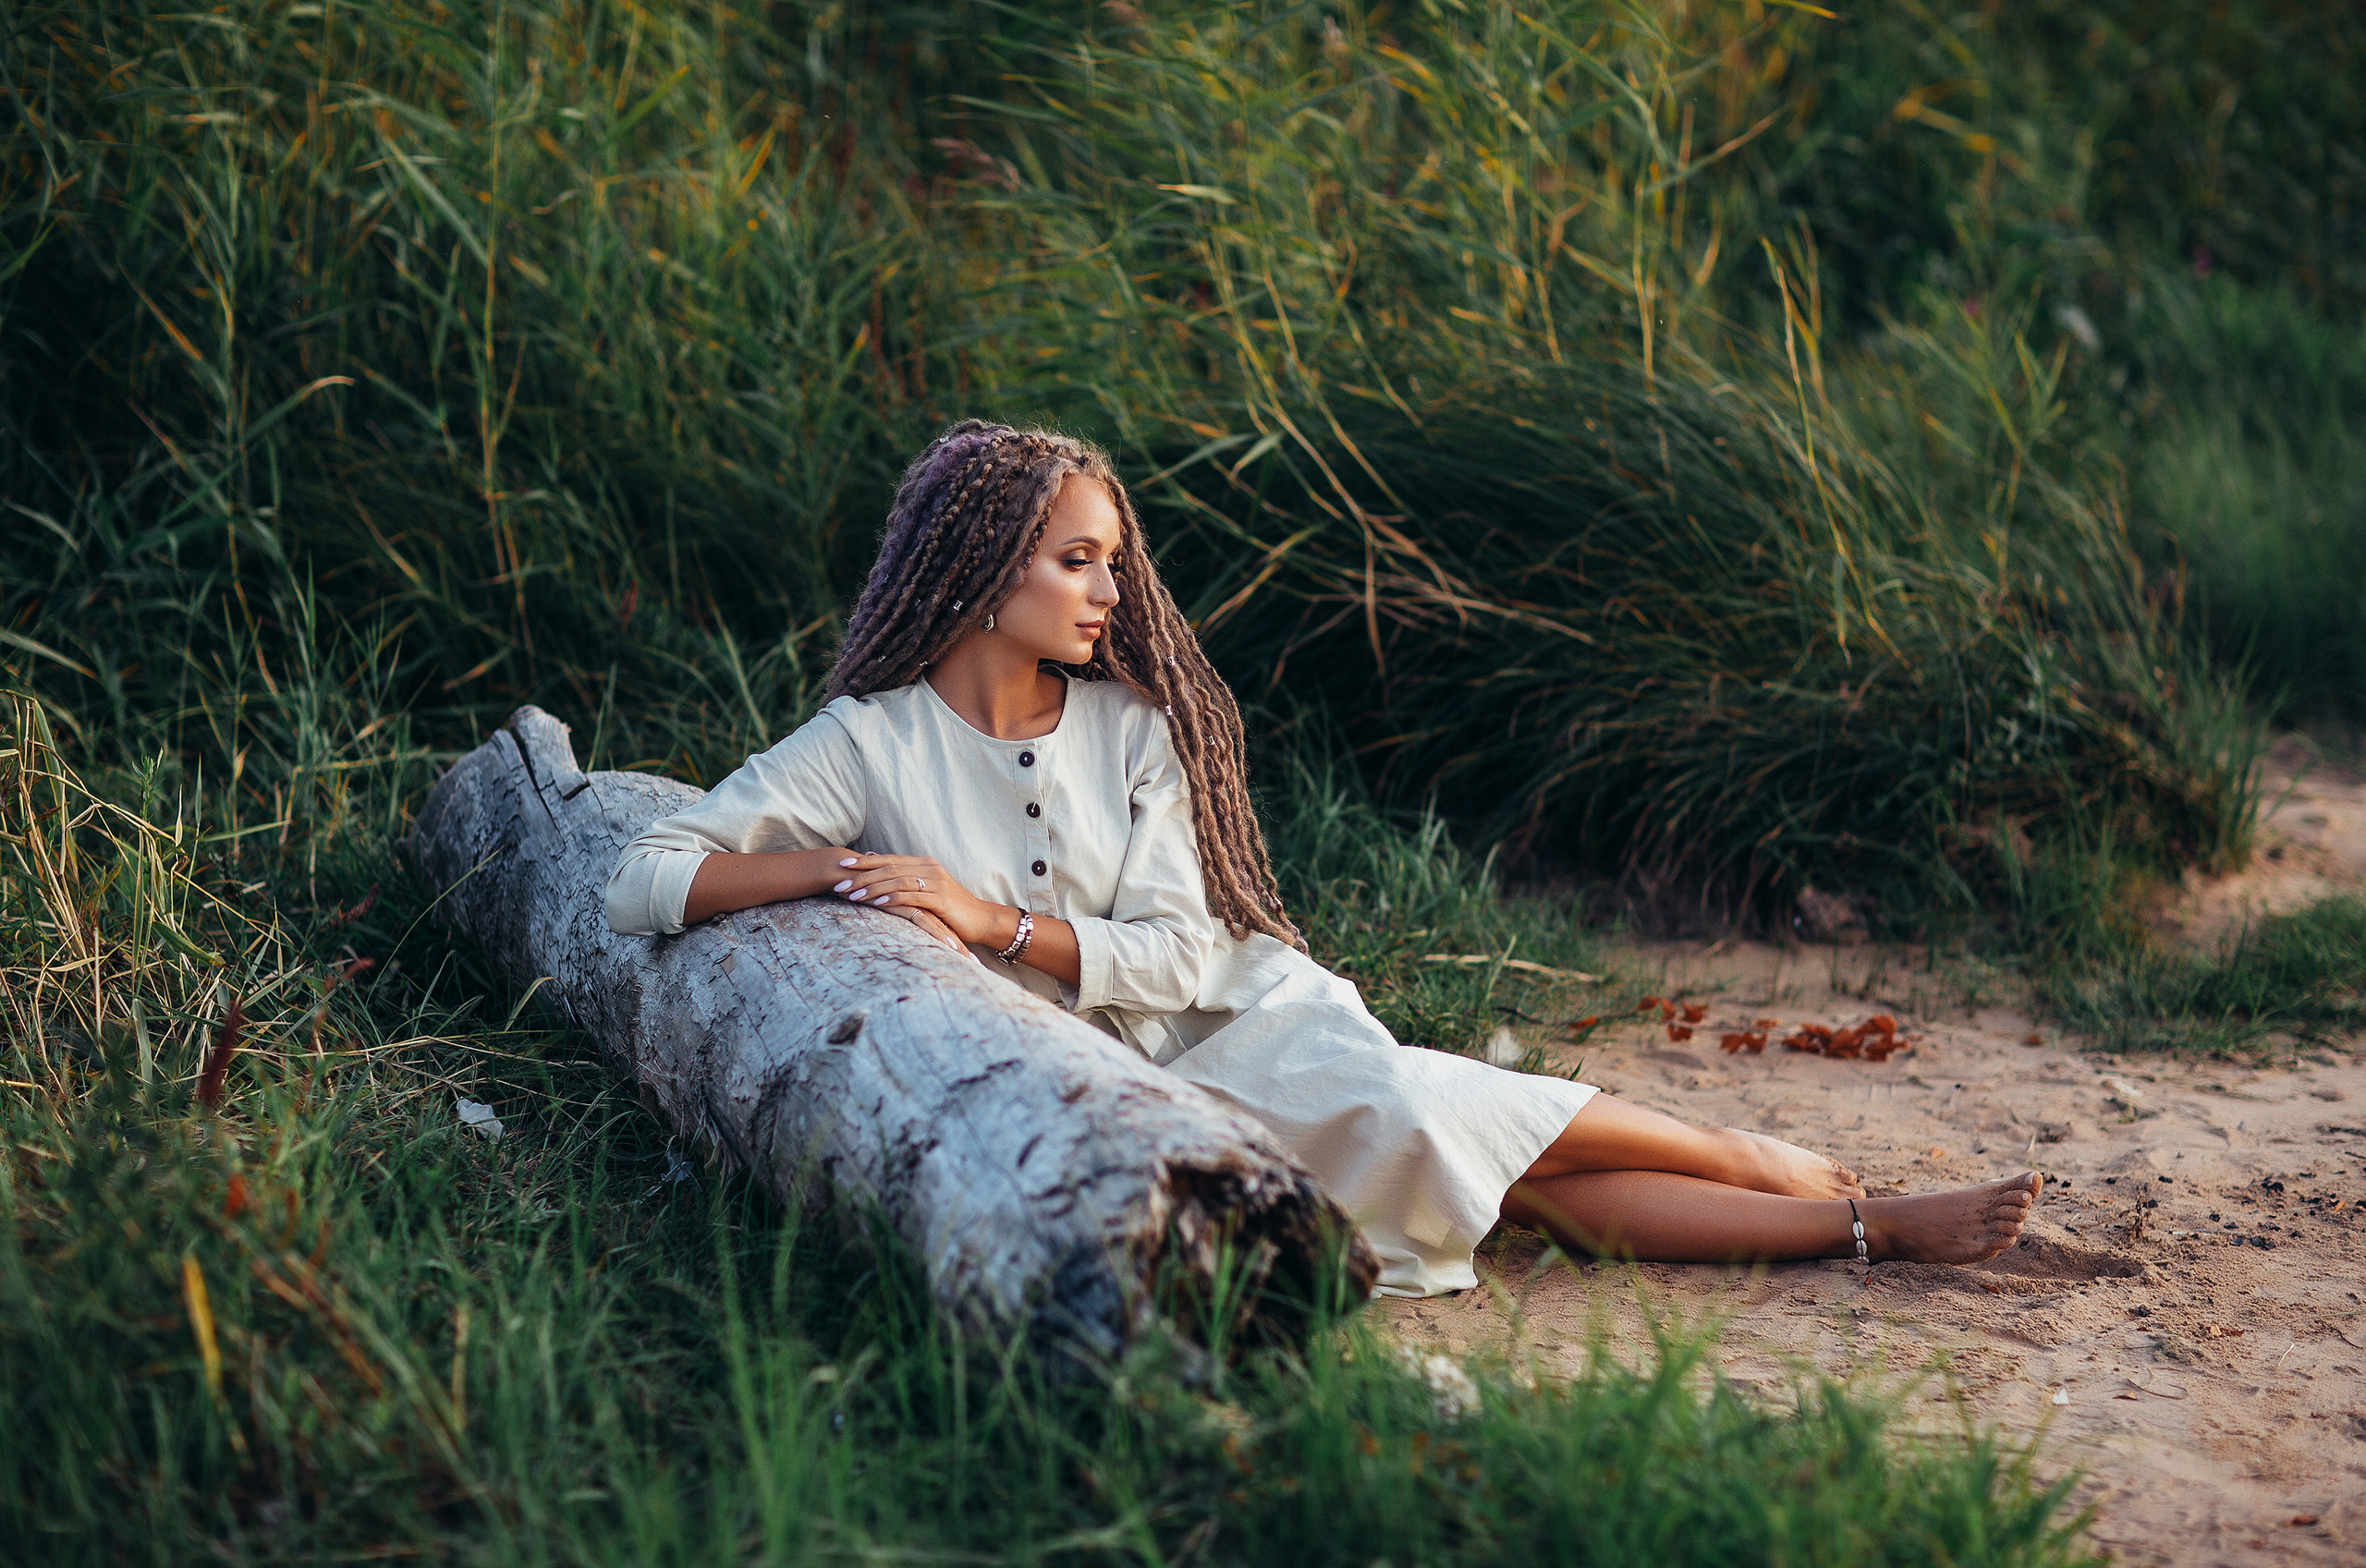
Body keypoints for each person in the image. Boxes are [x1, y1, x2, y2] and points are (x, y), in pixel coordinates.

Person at [605, 419, 2042, 1296]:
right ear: (981, 567)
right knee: (1501, 1186)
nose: (1114, 590)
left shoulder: (1133, 730)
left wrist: (983, 920)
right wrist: (845, 870)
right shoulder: (870, 745)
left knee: (1424, 1119)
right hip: (1122, 1086)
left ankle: (1812, 1191)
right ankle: (1854, 1219)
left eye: (1114, 559)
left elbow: (1175, 948)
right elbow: (647, 875)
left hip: (1240, 1023)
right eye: (1077, 561)